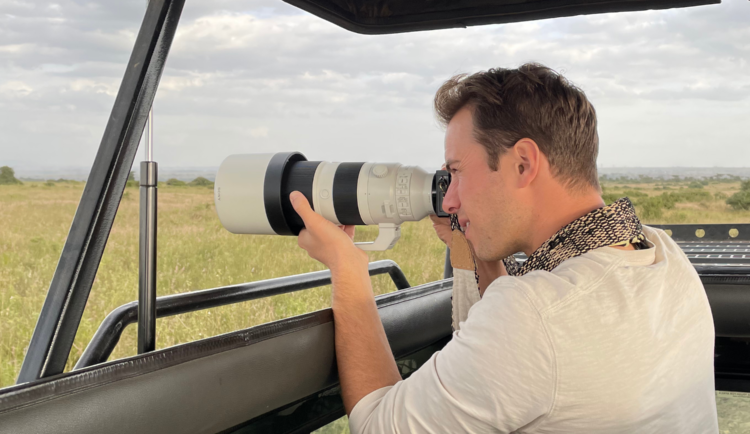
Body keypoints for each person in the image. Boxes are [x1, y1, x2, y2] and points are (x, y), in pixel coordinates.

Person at [289, 63, 718, 433]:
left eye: (457, 171)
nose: (450, 199)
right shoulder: (660, 253)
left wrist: (347, 267)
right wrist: (477, 248)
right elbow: (524, 352)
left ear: (523, 164)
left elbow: (378, 424)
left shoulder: (535, 315)